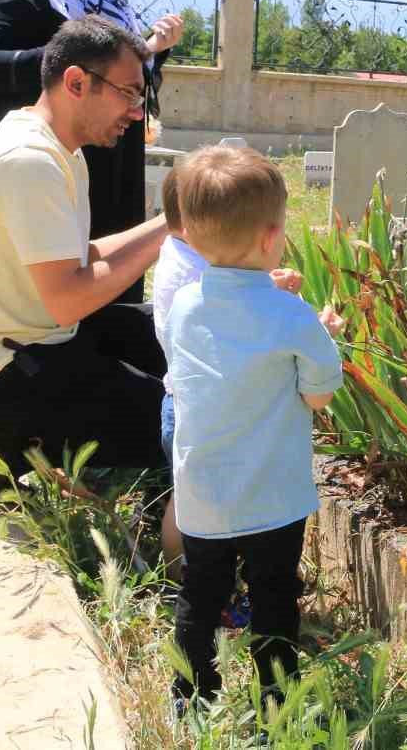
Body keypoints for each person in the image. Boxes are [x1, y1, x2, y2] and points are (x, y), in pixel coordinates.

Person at [0, 16, 171, 506]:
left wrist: (177, 221)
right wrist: (171, 229)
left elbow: (79, 259)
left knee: (177, 329)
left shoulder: (58, 149)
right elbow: (68, 299)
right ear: (77, 82)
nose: (135, 112)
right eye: (128, 93)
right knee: (185, 422)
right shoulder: (28, 160)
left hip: (33, 339)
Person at [164, 144, 345, 711]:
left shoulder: (183, 306)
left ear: (189, 237)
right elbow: (319, 395)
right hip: (272, 493)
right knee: (274, 595)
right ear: (272, 239)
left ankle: (190, 696)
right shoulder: (290, 313)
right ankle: (276, 705)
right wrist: (322, 330)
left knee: (200, 592)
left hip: (204, 493)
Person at [0, 0, 183, 303]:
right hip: (43, 160)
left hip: (109, 154)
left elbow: (123, 77)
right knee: (51, 280)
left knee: (110, 269)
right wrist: (73, 60)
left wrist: (152, 53)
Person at [152, 160, 306, 573]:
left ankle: (187, 579)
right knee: (203, 502)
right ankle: (188, 573)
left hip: (184, 399)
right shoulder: (193, 276)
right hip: (213, 404)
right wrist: (279, 296)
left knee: (188, 495)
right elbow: (230, 317)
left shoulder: (182, 259)